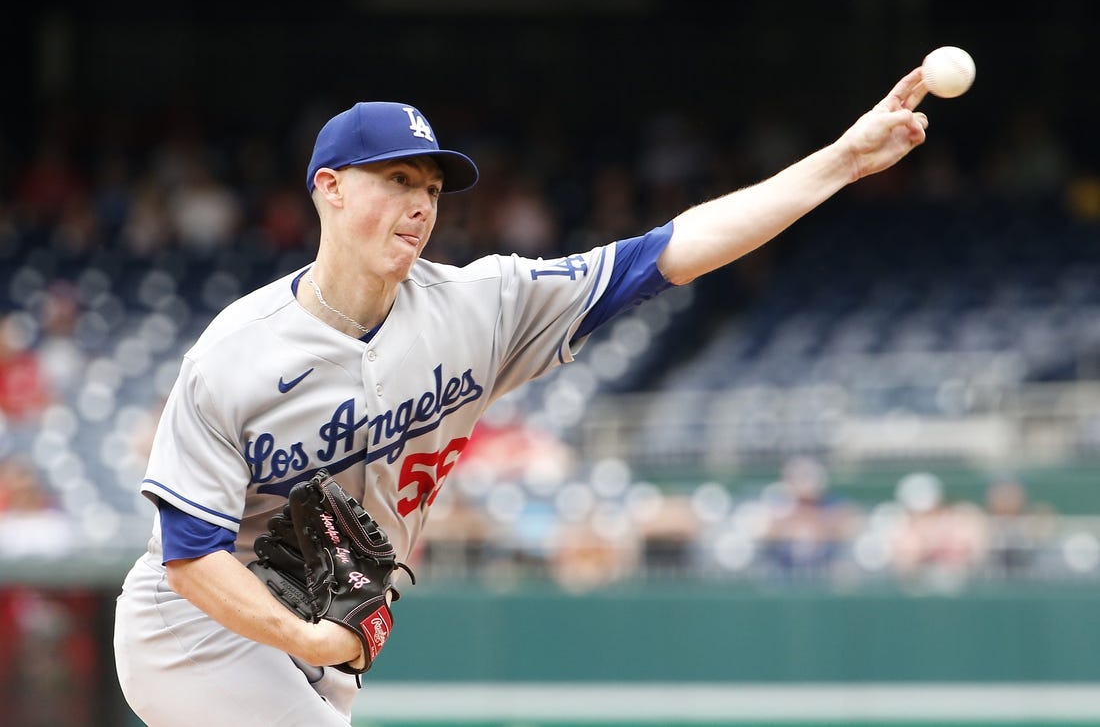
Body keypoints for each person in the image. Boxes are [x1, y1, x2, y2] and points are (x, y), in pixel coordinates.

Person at [113, 66, 931, 725]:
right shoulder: (237, 352)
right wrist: (309, 637)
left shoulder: (481, 307)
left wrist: (844, 160)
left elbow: (672, 250)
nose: (421, 204)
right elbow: (189, 551)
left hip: (315, 642)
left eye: (432, 188)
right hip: (195, 629)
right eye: (397, 179)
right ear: (328, 187)